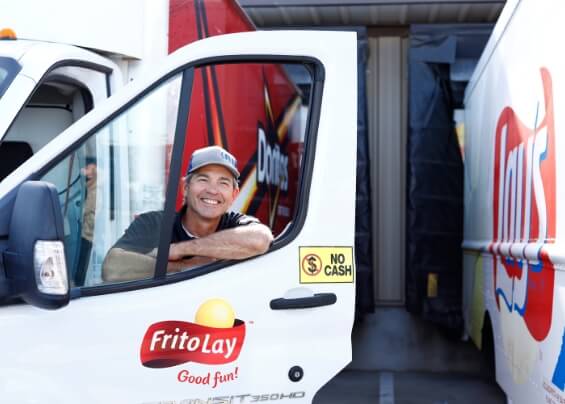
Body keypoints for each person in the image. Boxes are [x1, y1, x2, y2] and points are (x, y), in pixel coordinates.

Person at [102, 146, 273, 282]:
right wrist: (185, 266)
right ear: (185, 187)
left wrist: (179, 250)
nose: (212, 190)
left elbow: (261, 240)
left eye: (223, 183)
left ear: (234, 195)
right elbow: (112, 268)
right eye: (203, 179)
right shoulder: (154, 223)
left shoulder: (236, 224)